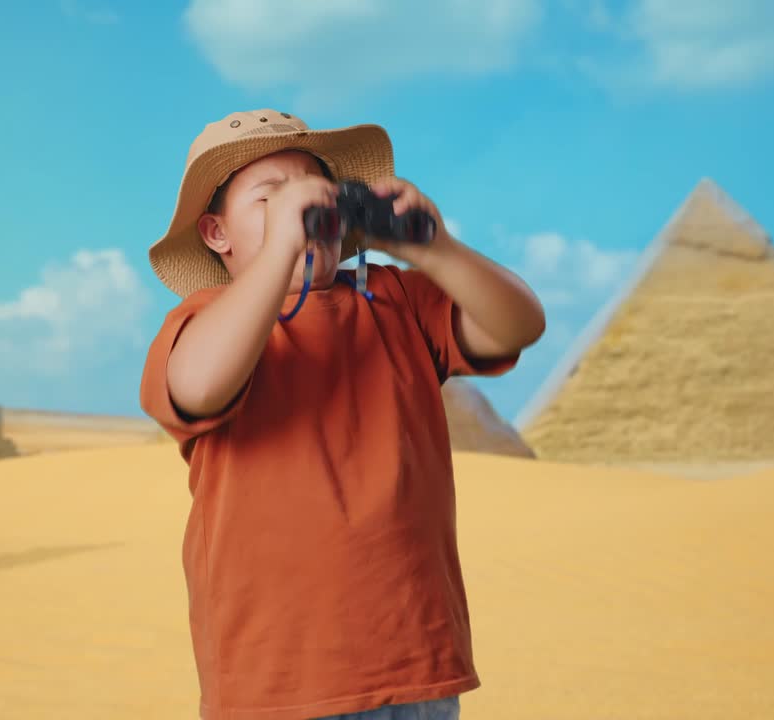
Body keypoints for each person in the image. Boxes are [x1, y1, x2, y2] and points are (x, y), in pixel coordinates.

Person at [139, 109, 546, 720]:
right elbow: (197, 387)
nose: (300, 210)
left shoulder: (398, 301)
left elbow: (519, 325)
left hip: (415, 663)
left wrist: (435, 249)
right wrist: (281, 250)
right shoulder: (205, 321)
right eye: (269, 198)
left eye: (316, 196)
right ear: (217, 233)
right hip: (276, 678)